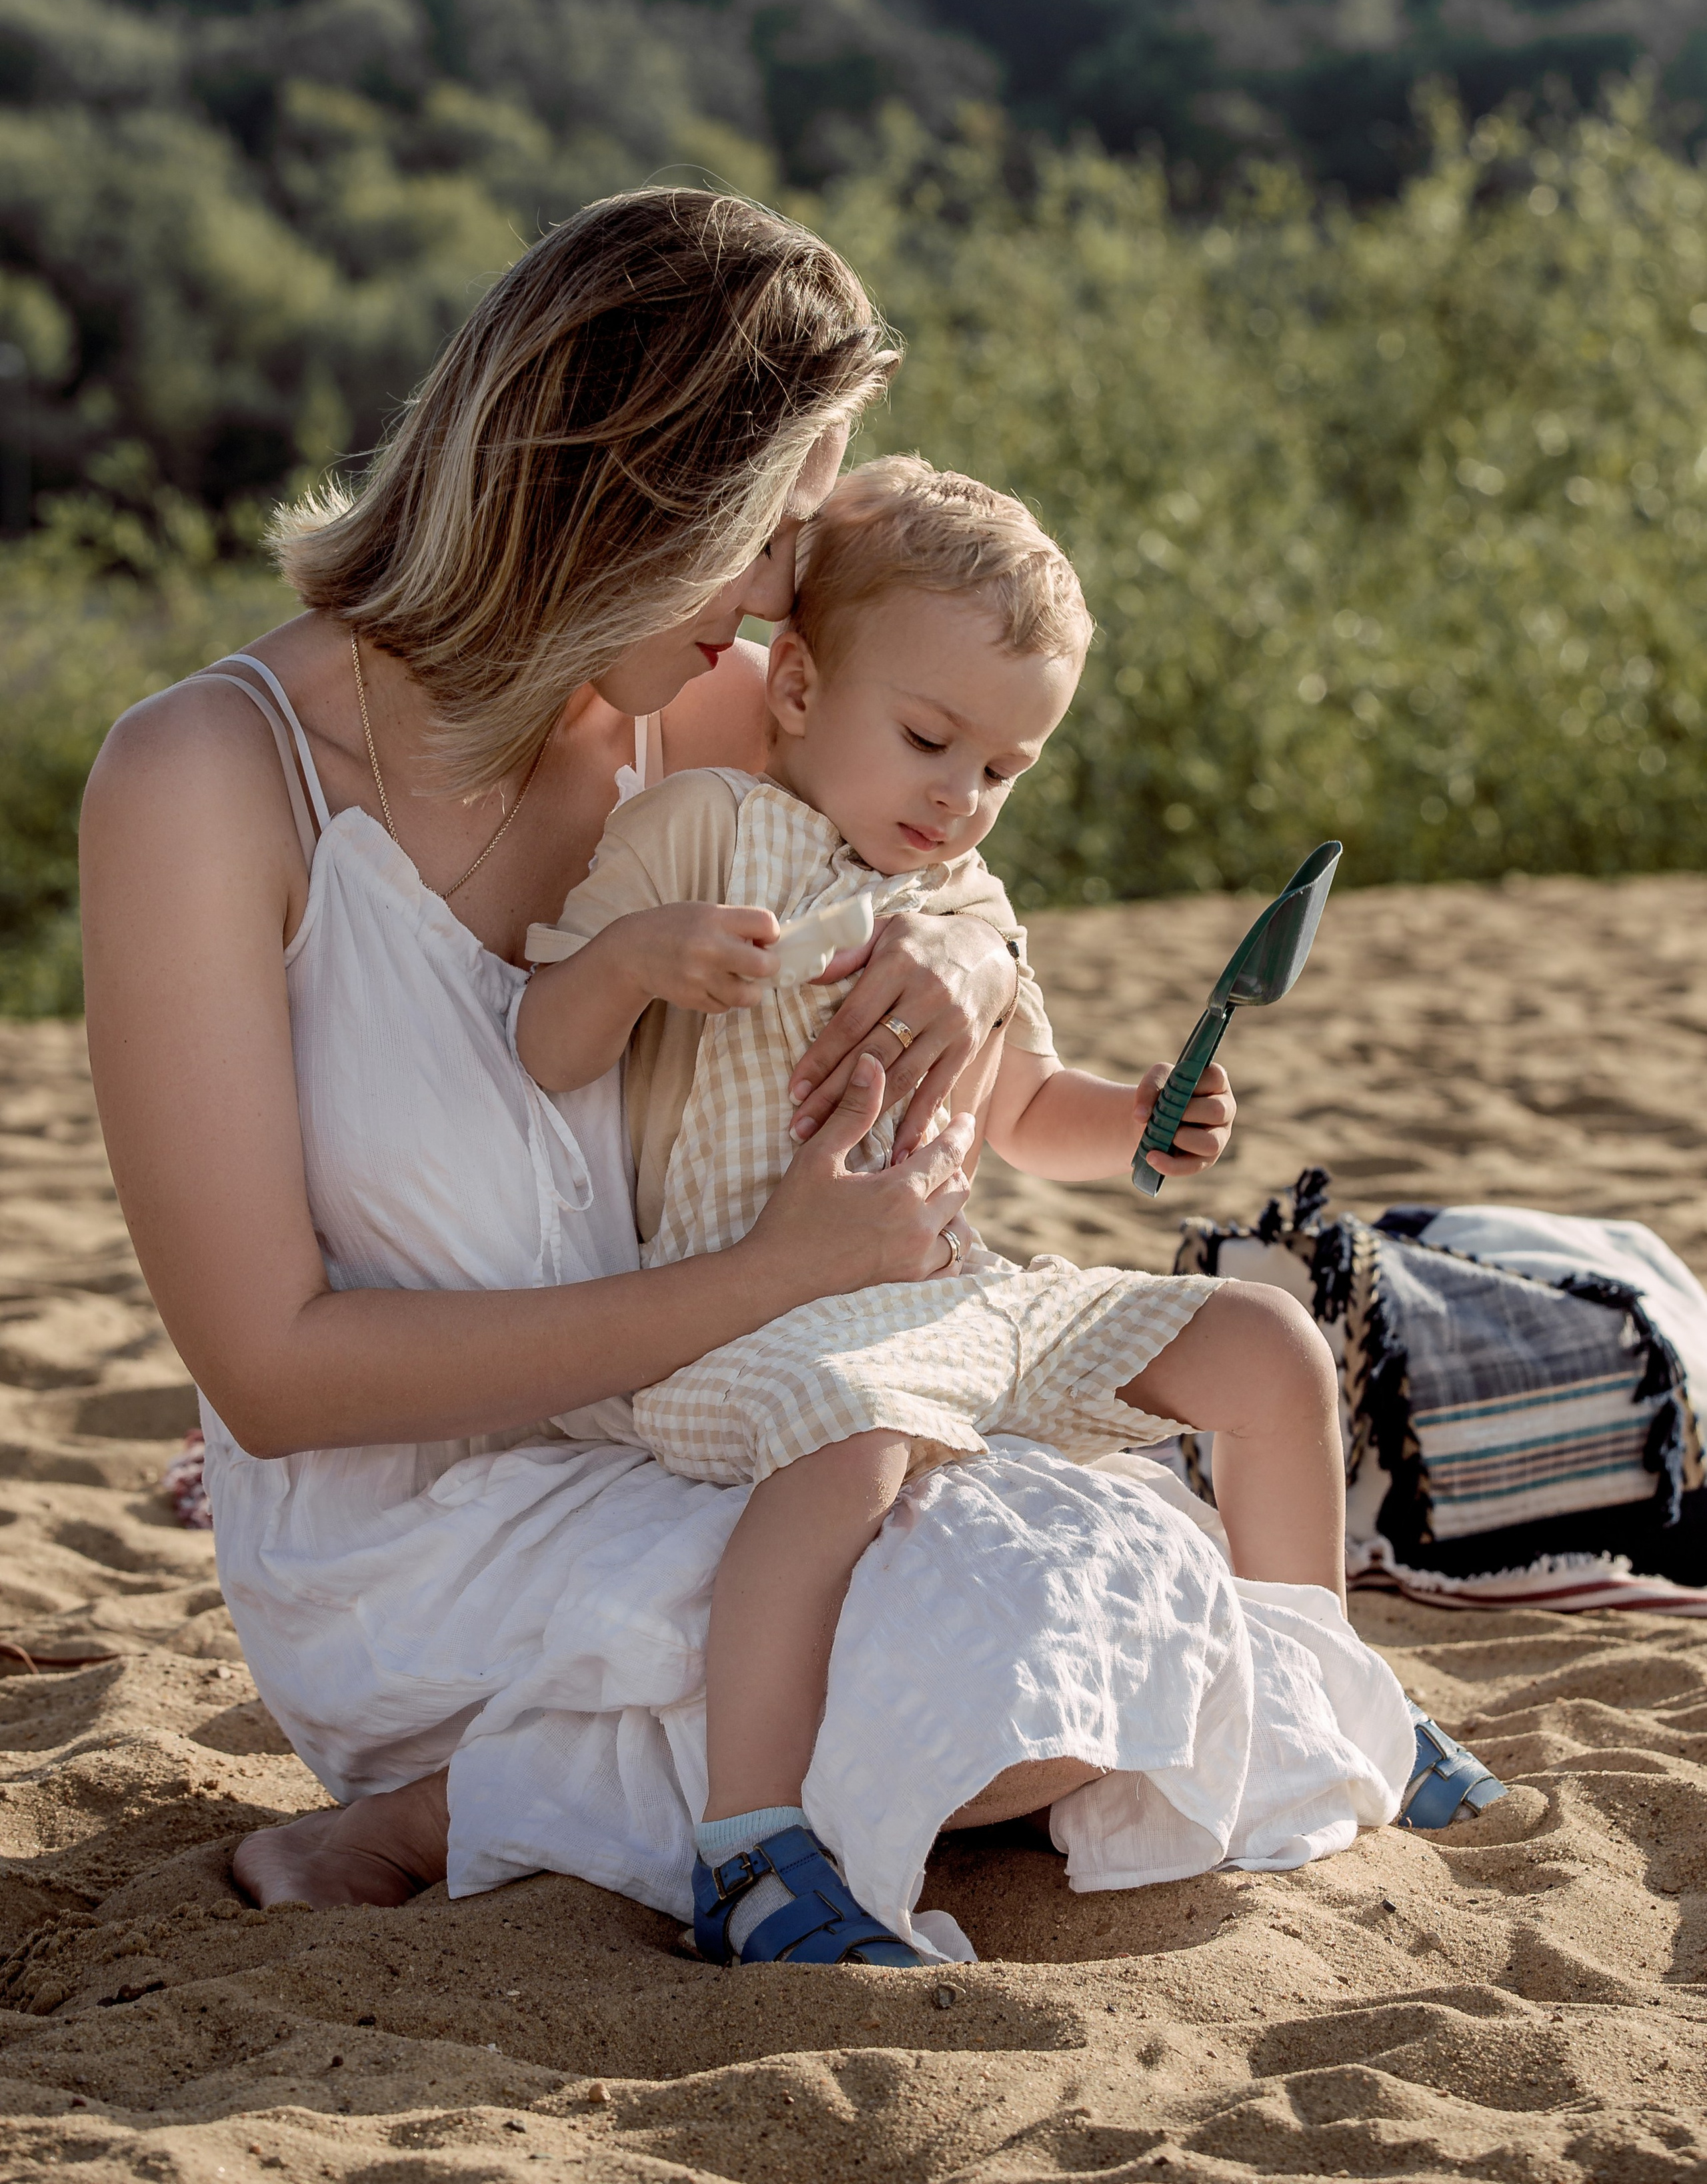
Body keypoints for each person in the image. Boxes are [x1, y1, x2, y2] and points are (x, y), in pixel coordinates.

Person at [78, 187, 1422, 1967]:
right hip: (428, 1541)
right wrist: (767, 1279)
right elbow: (270, 1373)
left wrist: (964, 961)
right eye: (774, 528)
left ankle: (616, 1789)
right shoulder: (206, 781)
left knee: (1118, 1605)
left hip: (733, 1439)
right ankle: (436, 1802)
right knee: (1012, 1672)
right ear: (631, 499)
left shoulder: (676, 705)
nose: (789, 591)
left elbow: (926, 845)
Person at [518, 459, 1500, 1967]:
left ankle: (1308, 1690)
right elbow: (543, 1046)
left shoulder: (967, 904)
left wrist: (1143, 1120)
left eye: (1000, 769)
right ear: (794, 692)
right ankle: (749, 1841)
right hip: (749, 1311)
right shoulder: (697, 835)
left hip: (955, 1290)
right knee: (854, 1436)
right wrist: (636, 961)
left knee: (1261, 1343)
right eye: (927, 740)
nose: (957, 797)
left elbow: (1024, 1108)